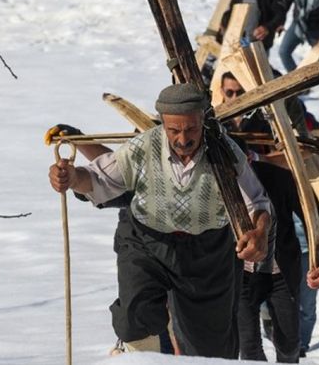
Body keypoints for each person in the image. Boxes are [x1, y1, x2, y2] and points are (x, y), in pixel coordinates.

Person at [48, 83, 273, 358]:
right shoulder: (143, 147)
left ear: (202, 120)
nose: (182, 139)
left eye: (190, 129)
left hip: (208, 251)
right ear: (163, 124)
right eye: (174, 130)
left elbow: (257, 202)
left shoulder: (224, 152)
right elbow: (99, 179)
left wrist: (259, 231)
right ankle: (138, 359)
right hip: (146, 240)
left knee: (211, 346)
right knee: (135, 316)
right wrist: (72, 179)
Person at [218, 80, 319, 362]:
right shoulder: (217, 186)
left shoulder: (279, 179)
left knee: (290, 346)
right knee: (249, 347)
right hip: (240, 276)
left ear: (249, 159)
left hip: (280, 273)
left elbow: (318, 226)